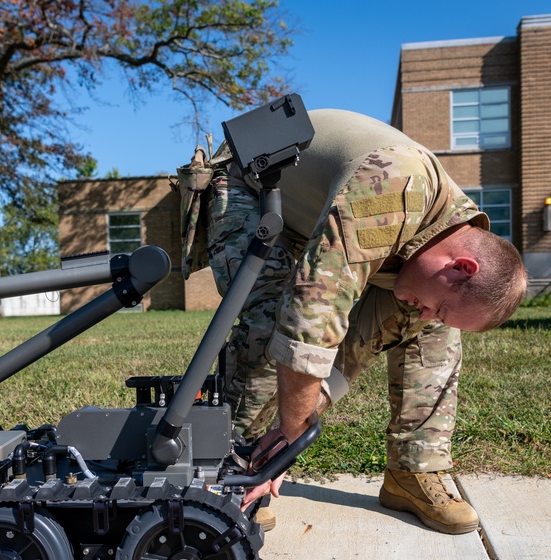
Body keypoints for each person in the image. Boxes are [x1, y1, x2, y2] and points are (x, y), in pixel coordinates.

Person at [188, 108, 527, 535]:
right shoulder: (391, 191)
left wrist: (299, 419)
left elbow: (355, 344)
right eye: (438, 303)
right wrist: (291, 433)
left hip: (320, 212)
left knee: (434, 327)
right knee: (270, 316)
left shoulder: (458, 230)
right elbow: (313, 313)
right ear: (460, 267)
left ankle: (413, 471)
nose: (426, 312)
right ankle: (229, 469)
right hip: (248, 179)